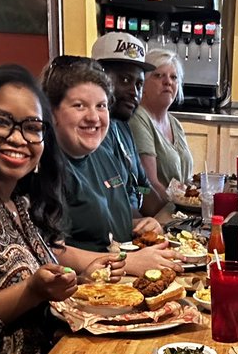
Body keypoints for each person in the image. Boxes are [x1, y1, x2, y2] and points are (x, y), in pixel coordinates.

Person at [0, 64, 122, 354]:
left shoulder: (19, 201)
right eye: (1, 122)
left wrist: (81, 279)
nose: (18, 138)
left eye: (32, 127)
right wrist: (33, 290)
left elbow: (43, 289)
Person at [42, 57, 178, 276]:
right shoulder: (46, 166)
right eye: (79, 106)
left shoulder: (105, 153)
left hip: (124, 277)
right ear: (52, 112)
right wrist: (127, 262)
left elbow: (112, 215)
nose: (93, 117)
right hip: (88, 288)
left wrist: (141, 224)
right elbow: (49, 249)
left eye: (101, 106)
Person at [90, 32, 166, 217]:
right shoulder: (91, 134)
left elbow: (141, 186)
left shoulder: (123, 127)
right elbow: (112, 202)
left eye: (139, 85)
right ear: (97, 77)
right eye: (125, 80)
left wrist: (169, 216)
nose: (134, 92)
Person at [129, 48, 194, 208]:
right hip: (157, 212)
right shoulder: (138, 119)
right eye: (158, 75)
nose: (168, 82)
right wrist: (184, 205)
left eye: (173, 77)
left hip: (180, 210)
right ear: (142, 83)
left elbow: (186, 180)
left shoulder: (175, 124)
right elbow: (149, 185)